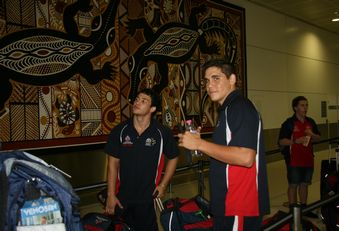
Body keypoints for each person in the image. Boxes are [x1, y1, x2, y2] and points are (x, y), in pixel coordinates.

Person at [178, 59, 270, 231]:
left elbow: (245, 157)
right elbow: (228, 152)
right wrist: (199, 145)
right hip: (228, 201)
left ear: (232, 79)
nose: (209, 85)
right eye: (206, 81)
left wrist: (200, 143)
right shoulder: (227, 110)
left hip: (238, 202)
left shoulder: (240, 107)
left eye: (216, 78)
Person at [104, 88, 179, 231]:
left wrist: (163, 185)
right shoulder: (120, 131)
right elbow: (112, 164)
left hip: (146, 199)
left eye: (144, 101)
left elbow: (173, 157)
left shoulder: (162, 133)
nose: (137, 102)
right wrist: (111, 195)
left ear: (152, 109)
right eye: (137, 99)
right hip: (121, 198)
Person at [278, 96, 321, 213]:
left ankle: (303, 207)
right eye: (302, 105)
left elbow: (318, 138)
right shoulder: (289, 123)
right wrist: (295, 141)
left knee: (304, 184)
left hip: (308, 159)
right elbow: (281, 141)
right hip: (293, 160)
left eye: (306, 105)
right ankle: (293, 210)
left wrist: (312, 134)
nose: (305, 108)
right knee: (293, 184)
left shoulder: (310, 122)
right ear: (295, 107)